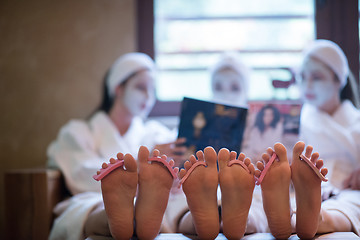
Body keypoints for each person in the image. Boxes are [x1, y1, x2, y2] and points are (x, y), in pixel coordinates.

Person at [47, 52, 187, 240]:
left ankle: (214, 218)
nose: (148, 96)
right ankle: (125, 216)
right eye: (140, 87)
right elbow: (81, 174)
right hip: (95, 197)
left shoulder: (153, 134)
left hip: (156, 204)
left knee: (180, 203)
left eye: (152, 90)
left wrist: (180, 163)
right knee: (94, 206)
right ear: (118, 88)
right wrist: (137, 167)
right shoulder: (79, 132)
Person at [297, 39, 360, 235]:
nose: (307, 85)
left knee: (350, 206)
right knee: (281, 201)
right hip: (312, 188)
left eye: (316, 77)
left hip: (349, 190)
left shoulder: (356, 120)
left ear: (338, 81)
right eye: (302, 76)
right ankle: (243, 219)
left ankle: (320, 218)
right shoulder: (304, 119)